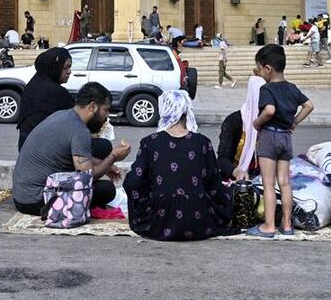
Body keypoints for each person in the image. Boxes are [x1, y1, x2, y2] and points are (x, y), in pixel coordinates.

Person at [124, 91, 232, 241]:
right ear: (185, 111)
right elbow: (213, 185)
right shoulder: (202, 142)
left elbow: (134, 182)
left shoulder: (149, 142)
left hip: (159, 221)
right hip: (198, 220)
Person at [12, 82, 130, 216]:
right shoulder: (79, 130)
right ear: (92, 107)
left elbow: (73, 155)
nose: (107, 116)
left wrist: (106, 166)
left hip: (20, 196)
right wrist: (113, 156)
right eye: (106, 110)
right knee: (106, 189)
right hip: (36, 201)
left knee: (102, 147)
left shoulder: (63, 115)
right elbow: (87, 177)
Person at [248, 44, 313, 238]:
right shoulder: (292, 88)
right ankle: (286, 224)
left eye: (259, 69)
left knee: (268, 183)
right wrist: (294, 122)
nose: (259, 73)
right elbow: (309, 106)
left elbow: (269, 110)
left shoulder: (267, 89)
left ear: (268, 68)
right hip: (285, 137)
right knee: (285, 183)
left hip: (269, 136)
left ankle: (269, 226)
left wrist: (257, 123)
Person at [16, 47, 74, 150]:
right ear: (54, 67)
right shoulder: (55, 92)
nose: (69, 72)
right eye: (65, 67)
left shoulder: (34, 84)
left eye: (70, 67)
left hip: (26, 149)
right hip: (42, 153)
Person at [217, 76, 265, 181]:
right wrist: (236, 171)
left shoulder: (272, 121)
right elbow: (222, 159)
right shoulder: (234, 121)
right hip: (237, 179)